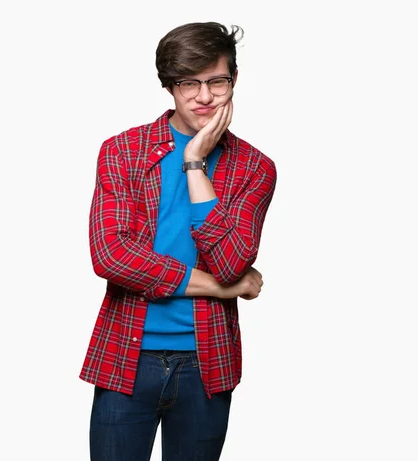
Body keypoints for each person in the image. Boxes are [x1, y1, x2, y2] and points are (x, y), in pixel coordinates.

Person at [79, 22, 277, 461]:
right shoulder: (123, 151)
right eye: (190, 82)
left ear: (234, 80)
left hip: (207, 361)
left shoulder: (254, 168)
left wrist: (193, 164)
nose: (204, 97)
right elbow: (111, 255)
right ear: (170, 85)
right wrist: (228, 288)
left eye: (217, 81)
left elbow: (230, 261)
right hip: (127, 352)